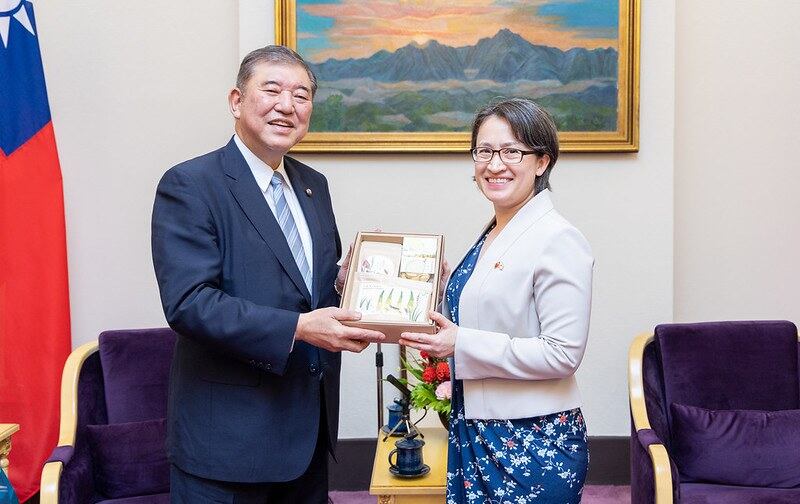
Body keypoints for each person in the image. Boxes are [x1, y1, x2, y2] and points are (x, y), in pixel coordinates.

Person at [151, 45, 384, 503]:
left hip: (308, 433)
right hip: (228, 446)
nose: (287, 105)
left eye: (301, 95)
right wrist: (300, 328)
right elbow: (189, 303)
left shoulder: (314, 185)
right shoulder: (191, 184)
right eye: (272, 90)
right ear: (237, 101)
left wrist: (349, 278)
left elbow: (302, 286)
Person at [400, 98, 593, 503]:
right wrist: (436, 287)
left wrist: (461, 344)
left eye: (512, 151)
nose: (495, 164)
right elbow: (492, 311)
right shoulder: (496, 231)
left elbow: (563, 353)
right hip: (477, 427)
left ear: (542, 162)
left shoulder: (558, 238)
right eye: (484, 151)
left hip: (532, 438)